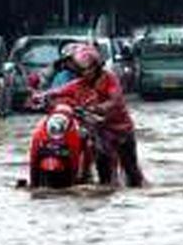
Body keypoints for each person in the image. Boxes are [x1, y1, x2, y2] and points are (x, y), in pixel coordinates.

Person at [44, 44, 145, 188]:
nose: (84, 73)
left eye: (87, 69)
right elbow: (58, 91)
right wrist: (40, 96)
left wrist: (100, 108)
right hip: (98, 132)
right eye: (80, 70)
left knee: (131, 171)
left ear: (96, 67)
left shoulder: (109, 79)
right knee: (103, 172)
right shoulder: (78, 84)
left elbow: (115, 99)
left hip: (120, 131)